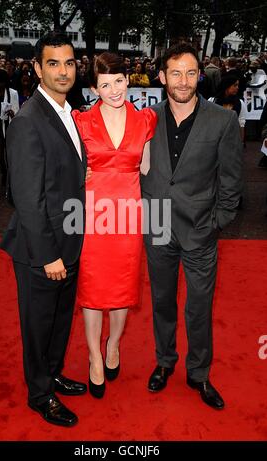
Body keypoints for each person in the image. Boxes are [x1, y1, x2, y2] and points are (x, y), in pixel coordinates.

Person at [141, 43, 243, 409]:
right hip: (156, 226)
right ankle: (164, 362)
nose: (183, 81)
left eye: (189, 72)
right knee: (162, 301)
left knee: (199, 307)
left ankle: (198, 373)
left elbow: (232, 180)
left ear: (199, 74)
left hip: (200, 230)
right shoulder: (146, 119)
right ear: (161, 76)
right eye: (175, 72)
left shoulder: (223, 120)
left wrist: (217, 222)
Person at [0, 32, 87, 427]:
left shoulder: (67, 111)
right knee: (38, 326)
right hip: (42, 251)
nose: (63, 71)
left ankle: (52, 375)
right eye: (53, 63)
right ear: (37, 68)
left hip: (68, 242)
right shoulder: (28, 121)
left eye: (69, 63)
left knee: (58, 321)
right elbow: (28, 198)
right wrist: (49, 254)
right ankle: (39, 395)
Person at [72, 52, 157, 398]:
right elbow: (67, 166)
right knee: (92, 292)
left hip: (127, 216)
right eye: (104, 84)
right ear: (94, 89)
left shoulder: (146, 120)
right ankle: (94, 357)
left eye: (119, 81)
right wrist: (80, 175)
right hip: (92, 216)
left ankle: (113, 345)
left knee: (123, 289)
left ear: (129, 80)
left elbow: (148, 169)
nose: (114, 90)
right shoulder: (80, 122)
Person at [208, 76, 247, 140]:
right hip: (214, 138)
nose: (237, 88)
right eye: (235, 85)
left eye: (237, 85)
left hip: (231, 138)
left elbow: (241, 124)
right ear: (227, 86)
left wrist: (241, 143)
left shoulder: (240, 103)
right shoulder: (212, 101)